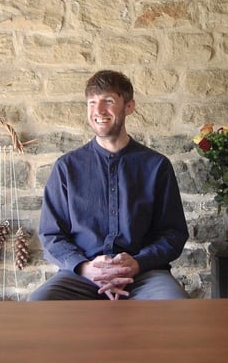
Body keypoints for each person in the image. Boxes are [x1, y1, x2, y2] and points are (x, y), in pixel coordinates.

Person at [28, 70, 189, 300]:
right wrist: (85, 267)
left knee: (176, 304)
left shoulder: (157, 166)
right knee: (38, 305)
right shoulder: (66, 167)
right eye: (92, 102)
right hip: (81, 275)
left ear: (129, 106)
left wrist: (136, 263)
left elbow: (172, 234)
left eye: (109, 101)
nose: (99, 111)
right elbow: (51, 234)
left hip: (144, 274)